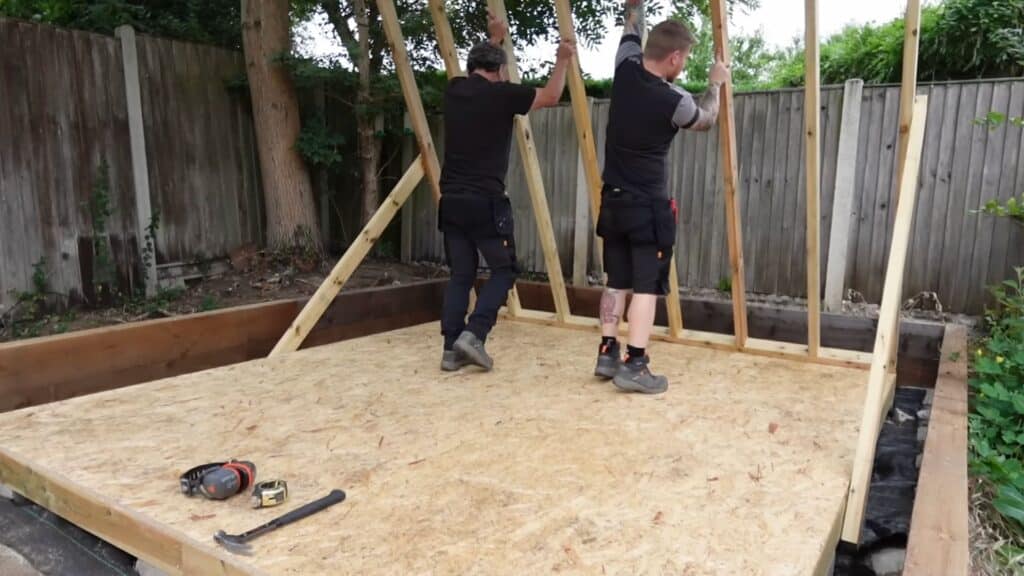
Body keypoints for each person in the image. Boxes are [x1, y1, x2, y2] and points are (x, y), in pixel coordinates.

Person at [593, 0, 730, 393]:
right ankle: (635, 364)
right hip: (647, 207)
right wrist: (716, 82)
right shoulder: (674, 101)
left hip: (613, 202)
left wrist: (634, 5)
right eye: (684, 58)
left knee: (616, 280)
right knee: (647, 285)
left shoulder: (624, 69)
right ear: (673, 57)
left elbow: (631, 25)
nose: (683, 64)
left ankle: (607, 352)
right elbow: (706, 119)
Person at [439, 11, 576, 372]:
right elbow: (551, 94)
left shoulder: (453, 90)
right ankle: (475, 333)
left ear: (470, 68)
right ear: (500, 72)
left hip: (451, 201)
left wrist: (494, 39)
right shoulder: (503, 95)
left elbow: (480, 66)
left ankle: (451, 348)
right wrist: (562, 60)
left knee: (461, 274)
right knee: (504, 270)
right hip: (484, 201)